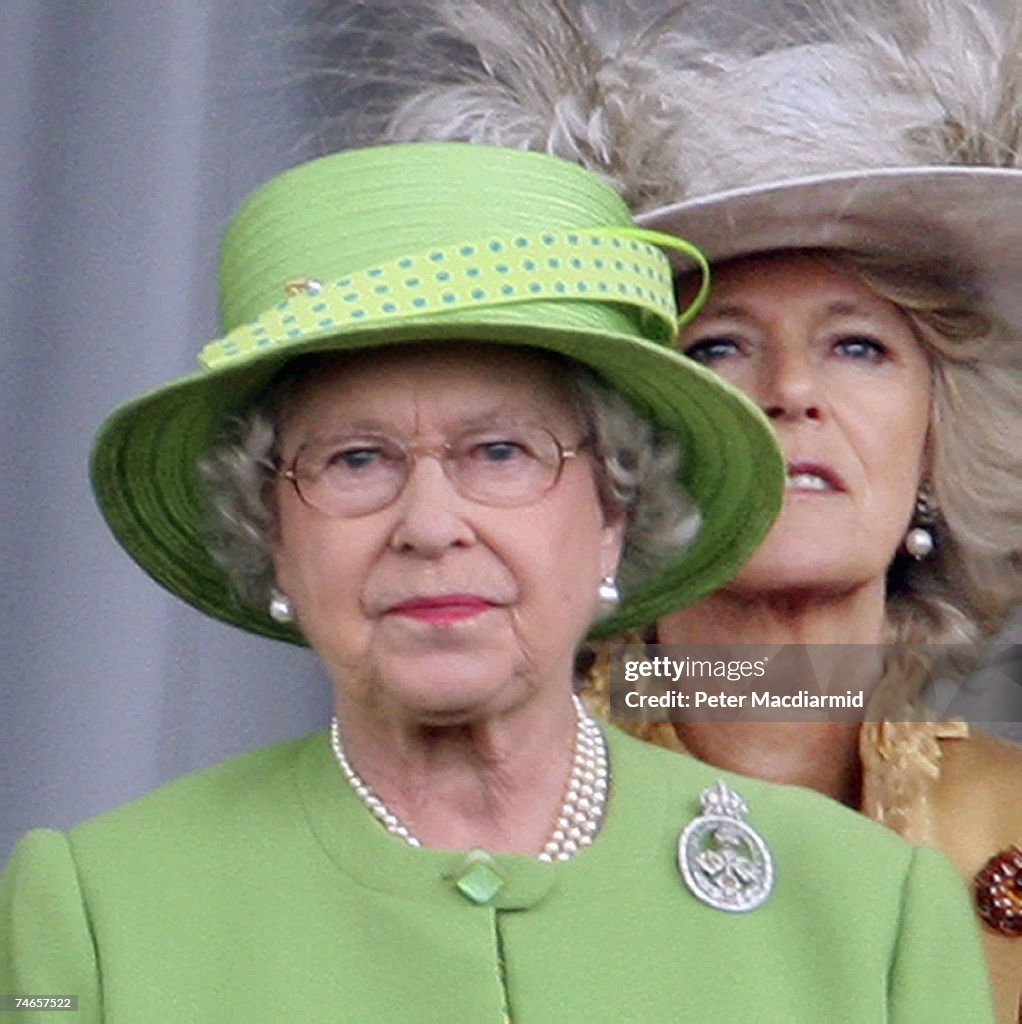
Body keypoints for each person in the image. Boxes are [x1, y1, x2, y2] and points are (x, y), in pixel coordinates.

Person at [0, 139, 995, 1022]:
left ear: (614, 513)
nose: (430, 526)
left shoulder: (872, 912)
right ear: (271, 534)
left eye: (501, 453)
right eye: (355, 460)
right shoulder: (100, 908)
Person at [362, 1, 1022, 1019]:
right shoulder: (456, 817)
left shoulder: (1008, 820)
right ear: (622, 455)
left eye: (857, 346)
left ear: (935, 444)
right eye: (716, 346)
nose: (790, 392)